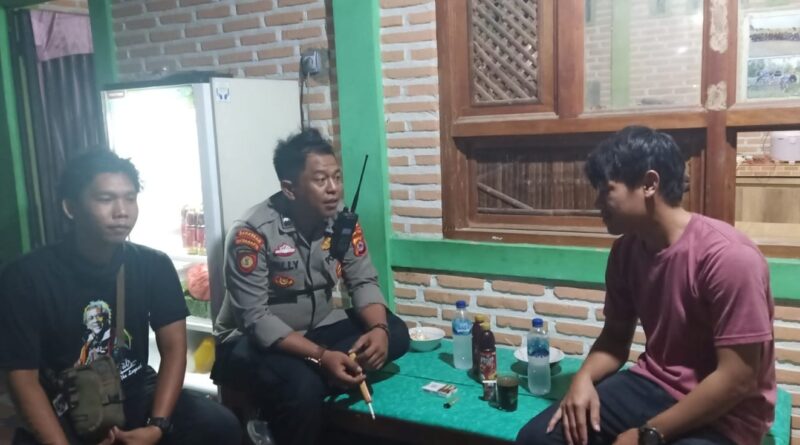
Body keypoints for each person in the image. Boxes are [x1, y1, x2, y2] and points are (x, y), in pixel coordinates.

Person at [516, 126, 775, 445]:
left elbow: (738, 379)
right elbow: (614, 340)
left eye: (606, 190)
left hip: (729, 413)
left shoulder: (729, 257)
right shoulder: (625, 251)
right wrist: (582, 379)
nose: (597, 202)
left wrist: (648, 433)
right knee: (536, 438)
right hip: (655, 384)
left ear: (649, 184)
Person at [0, 151, 242, 445]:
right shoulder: (25, 278)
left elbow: (174, 348)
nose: (121, 211)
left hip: (135, 390)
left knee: (220, 425)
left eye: (130, 198)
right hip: (66, 403)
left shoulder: (153, 265)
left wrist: (157, 425)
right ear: (70, 207)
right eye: (106, 199)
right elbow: (22, 379)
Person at [212, 128, 410, 445]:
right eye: (321, 180)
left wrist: (379, 330)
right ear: (290, 189)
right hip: (249, 342)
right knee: (303, 385)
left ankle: (316, 382)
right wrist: (321, 357)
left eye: (337, 178)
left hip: (317, 329)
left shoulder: (342, 223)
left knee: (395, 332)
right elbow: (255, 318)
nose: (333, 189)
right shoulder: (252, 232)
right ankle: (277, 416)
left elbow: (363, 281)